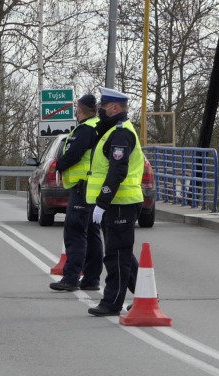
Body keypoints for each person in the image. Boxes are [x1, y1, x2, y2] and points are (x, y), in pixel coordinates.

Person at [86, 86, 144, 316]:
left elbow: (117, 171)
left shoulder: (120, 133)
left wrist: (102, 202)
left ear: (114, 108)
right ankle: (146, 293)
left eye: (103, 107)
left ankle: (112, 302)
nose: (100, 110)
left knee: (116, 255)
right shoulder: (111, 131)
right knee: (123, 253)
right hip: (117, 202)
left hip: (121, 202)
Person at [49, 94, 103, 292]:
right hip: (92, 186)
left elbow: (73, 154)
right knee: (92, 233)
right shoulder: (99, 126)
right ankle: (91, 279)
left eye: (77, 108)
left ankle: (71, 278)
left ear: (80, 109)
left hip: (83, 187)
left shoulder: (86, 129)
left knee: (75, 232)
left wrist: (59, 165)